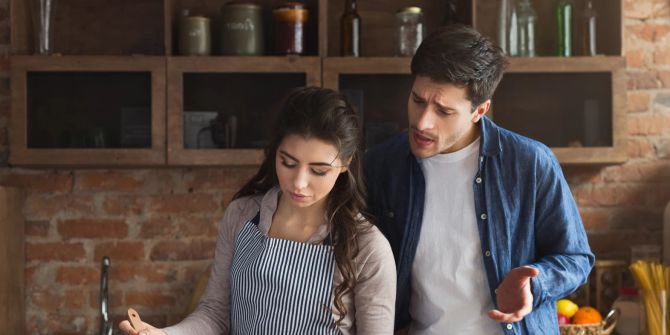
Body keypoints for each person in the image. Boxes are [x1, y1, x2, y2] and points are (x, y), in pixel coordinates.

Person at [364, 25, 595, 334]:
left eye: (444, 111)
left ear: (480, 110)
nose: (422, 122)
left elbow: (576, 258)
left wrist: (535, 283)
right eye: (418, 100)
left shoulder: (530, 163)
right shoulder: (382, 165)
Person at [120, 87, 396, 335]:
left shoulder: (367, 249)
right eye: (288, 163)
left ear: (346, 163)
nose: (299, 182)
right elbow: (216, 314)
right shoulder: (242, 216)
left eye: (318, 170)